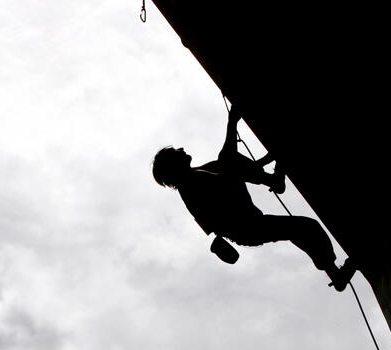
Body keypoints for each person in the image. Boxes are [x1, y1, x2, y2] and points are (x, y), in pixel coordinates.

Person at [152, 103, 357, 291]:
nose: (181, 149)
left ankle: (274, 182)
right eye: (175, 152)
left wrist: (253, 150)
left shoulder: (195, 176)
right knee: (305, 228)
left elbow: (229, 166)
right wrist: (239, 131)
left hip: (247, 226)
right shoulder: (191, 184)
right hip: (247, 227)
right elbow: (231, 173)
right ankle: (335, 274)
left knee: (299, 230)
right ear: (173, 165)